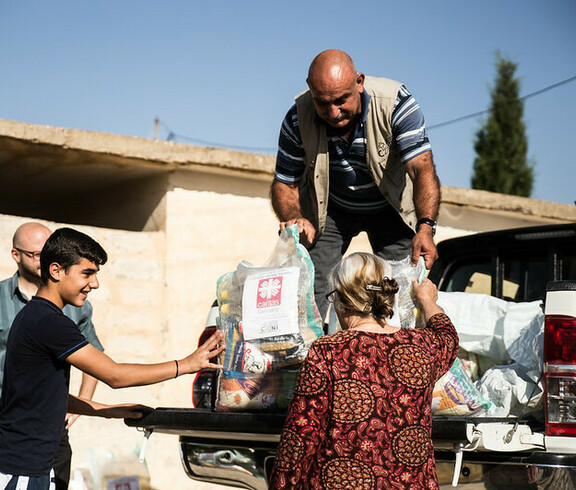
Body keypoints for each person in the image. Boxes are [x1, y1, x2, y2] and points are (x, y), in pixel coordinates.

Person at [0, 227, 224, 490]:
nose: (94, 284)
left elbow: (42, 395)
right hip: (23, 470)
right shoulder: (49, 322)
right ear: (56, 271)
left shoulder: (34, 315)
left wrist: (108, 411)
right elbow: (115, 375)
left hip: (29, 465)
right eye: (87, 273)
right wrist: (185, 364)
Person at [270, 49, 441, 322]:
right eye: (322, 103)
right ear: (310, 90)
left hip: (391, 207)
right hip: (331, 212)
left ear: (359, 82)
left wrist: (426, 227)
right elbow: (285, 182)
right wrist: (293, 217)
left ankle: (398, 353)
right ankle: (311, 354)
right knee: (308, 289)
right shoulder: (296, 119)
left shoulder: (396, 103)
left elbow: (422, 168)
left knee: (401, 293)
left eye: (341, 100)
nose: (333, 112)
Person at [269, 252, 458, 489]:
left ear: (342, 299)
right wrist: (427, 300)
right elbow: (448, 336)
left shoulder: (328, 351)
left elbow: (301, 436)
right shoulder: (422, 346)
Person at [0, 222, 104, 490]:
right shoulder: (27, 310)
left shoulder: (76, 305)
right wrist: (183, 365)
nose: (45, 258)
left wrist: (83, 404)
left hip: (49, 428)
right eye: (37, 253)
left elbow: (95, 359)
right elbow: (115, 374)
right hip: (13, 429)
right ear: (16, 255)